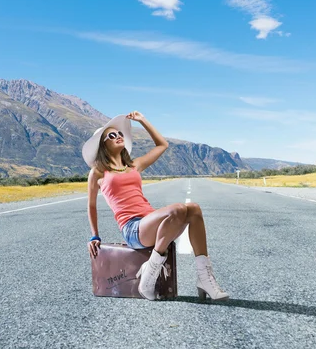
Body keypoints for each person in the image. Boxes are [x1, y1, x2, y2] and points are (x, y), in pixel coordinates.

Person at [82, 111, 229, 301]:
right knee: (177, 209)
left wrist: (142, 120)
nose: (118, 136)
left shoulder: (135, 165)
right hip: (133, 228)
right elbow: (91, 205)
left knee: (194, 209)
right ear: (103, 144)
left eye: (119, 134)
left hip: (153, 224)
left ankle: (204, 279)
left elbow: (162, 145)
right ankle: (150, 272)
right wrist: (95, 235)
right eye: (112, 135)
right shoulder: (98, 172)